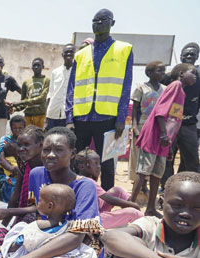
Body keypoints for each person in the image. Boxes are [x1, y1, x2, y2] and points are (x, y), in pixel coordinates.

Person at [0, 127, 104, 258]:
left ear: (72, 153)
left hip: (79, 253)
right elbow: (39, 216)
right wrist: (15, 248)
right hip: (45, 246)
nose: (50, 155)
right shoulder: (37, 174)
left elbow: (76, 238)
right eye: (47, 149)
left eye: (58, 150)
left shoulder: (85, 186)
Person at [65, 9, 133, 191]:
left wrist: (121, 118)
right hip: (82, 117)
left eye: (103, 20)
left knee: (107, 163)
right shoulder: (81, 54)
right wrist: (70, 117)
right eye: (95, 21)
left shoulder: (124, 50)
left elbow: (126, 86)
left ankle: (107, 202)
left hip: (107, 117)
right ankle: (75, 194)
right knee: (75, 160)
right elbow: (71, 88)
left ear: (113, 22)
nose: (98, 23)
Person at [130, 63, 197, 218]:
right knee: (143, 172)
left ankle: (151, 208)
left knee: (157, 174)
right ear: (181, 74)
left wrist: (169, 145)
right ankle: (130, 206)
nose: (194, 76)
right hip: (155, 135)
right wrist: (163, 135)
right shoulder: (174, 86)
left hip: (163, 141)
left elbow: (173, 119)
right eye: (191, 73)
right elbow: (161, 113)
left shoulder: (181, 90)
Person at [0, 125, 44, 226]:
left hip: (44, 218)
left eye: (26, 144)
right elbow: (16, 195)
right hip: (25, 213)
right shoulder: (23, 163)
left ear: (41, 145)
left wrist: (9, 212)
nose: (21, 149)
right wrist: (3, 225)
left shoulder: (48, 168)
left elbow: (43, 206)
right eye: (19, 145)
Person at [161, 43, 200, 188]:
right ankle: (166, 188)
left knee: (191, 160)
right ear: (181, 56)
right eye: (186, 54)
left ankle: (189, 189)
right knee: (166, 158)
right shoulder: (169, 76)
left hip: (189, 126)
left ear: (197, 57)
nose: (189, 56)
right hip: (170, 126)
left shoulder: (199, 76)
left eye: (193, 54)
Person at [75, 148, 143, 229]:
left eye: (99, 163)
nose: (99, 167)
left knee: (117, 190)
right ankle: (140, 221)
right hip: (90, 222)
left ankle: (130, 215)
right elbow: (110, 200)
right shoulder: (88, 181)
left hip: (94, 213)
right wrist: (133, 205)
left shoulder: (83, 178)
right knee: (134, 213)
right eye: (95, 164)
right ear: (83, 167)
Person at [129, 61, 166, 192]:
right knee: (138, 155)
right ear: (149, 73)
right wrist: (135, 127)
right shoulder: (141, 88)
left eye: (163, 71)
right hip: (142, 125)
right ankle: (138, 183)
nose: (163, 73)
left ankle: (147, 182)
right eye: (159, 71)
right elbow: (135, 110)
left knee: (152, 157)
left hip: (158, 128)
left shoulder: (165, 89)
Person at [0, 115, 26, 202]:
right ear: (11, 128)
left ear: (24, 128)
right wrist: (12, 169)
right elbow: (1, 159)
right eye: (14, 128)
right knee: (12, 185)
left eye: (20, 128)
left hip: (23, 173)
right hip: (6, 174)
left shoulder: (27, 141)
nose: (17, 130)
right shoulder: (5, 140)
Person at [0, 55, 21, 142]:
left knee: (1, 142)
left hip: (2, 115)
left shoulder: (8, 79)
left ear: (4, 64)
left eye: (1, 62)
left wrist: (15, 106)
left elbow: (22, 92)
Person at [45, 44, 75, 130]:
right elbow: (50, 95)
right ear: (62, 55)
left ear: (74, 54)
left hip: (68, 116)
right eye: (66, 52)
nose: (69, 54)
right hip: (52, 113)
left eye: (71, 52)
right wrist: (46, 119)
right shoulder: (55, 72)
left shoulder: (77, 72)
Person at [14, 58, 50, 128]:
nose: (36, 67)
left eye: (38, 65)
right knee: (28, 136)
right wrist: (15, 108)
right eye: (34, 65)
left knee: (40, 136)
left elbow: (42, 98)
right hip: (28, 116)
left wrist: (20, 102)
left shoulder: (46, 80)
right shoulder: (26, 82)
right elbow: (23, 103)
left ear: (43, 67)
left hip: (41, 115)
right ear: (31, 67)